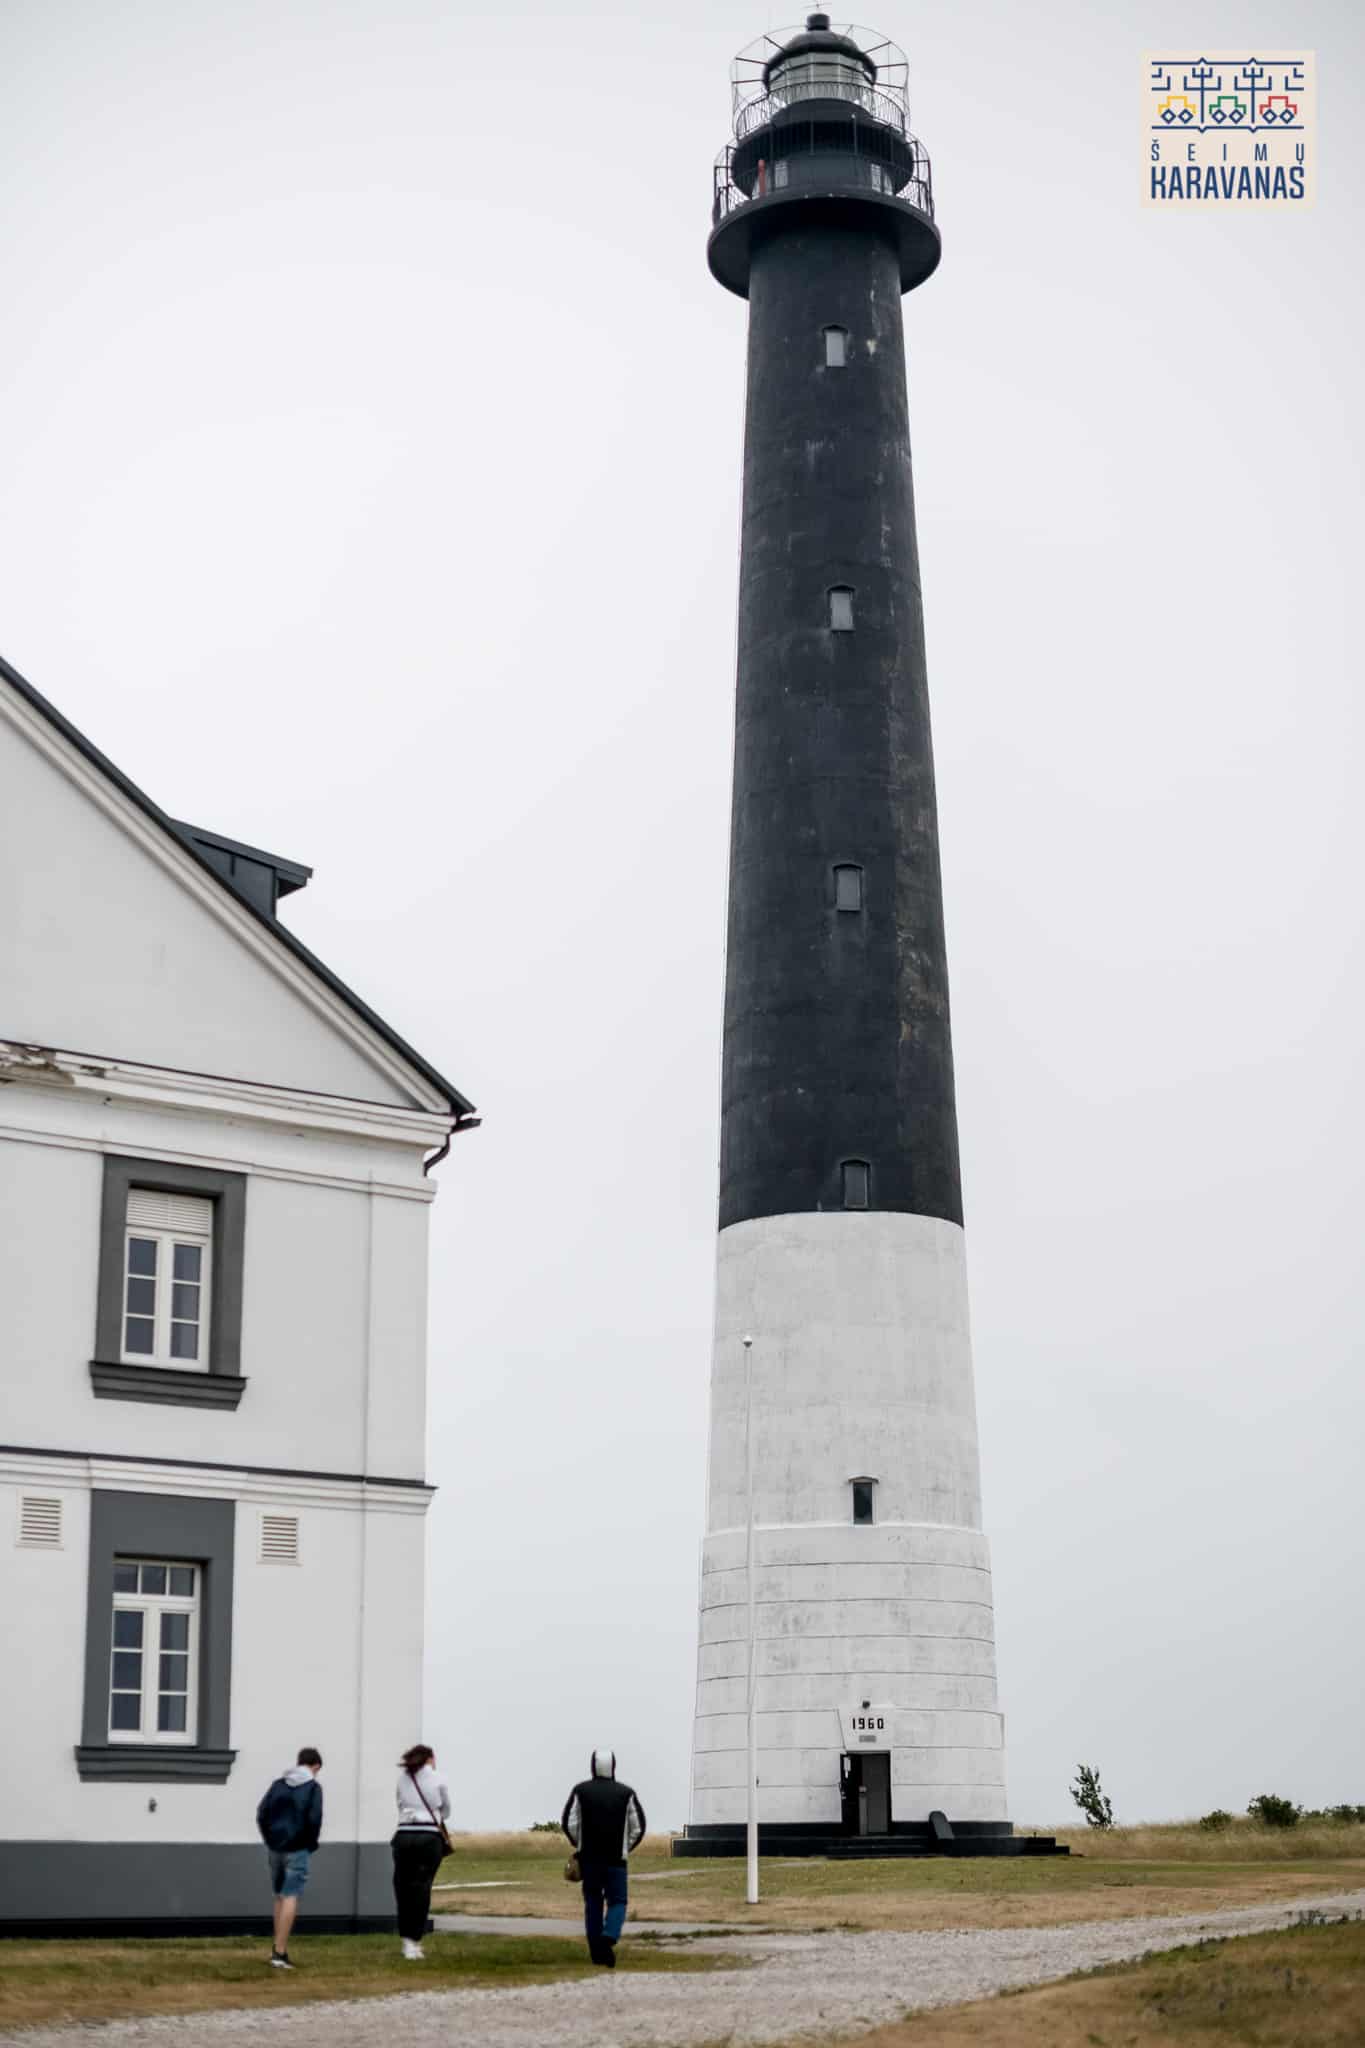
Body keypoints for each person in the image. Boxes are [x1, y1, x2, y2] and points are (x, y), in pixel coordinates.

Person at [561, 1746, 646, 1968]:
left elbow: (570, 1823)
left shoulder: (580, 1790)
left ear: (593, 1766)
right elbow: (638, 1828)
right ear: (613, 1766)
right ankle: (610, 1934)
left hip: (589, 1860)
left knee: (593, 1902)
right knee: (618, 1901)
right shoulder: (626, 1793)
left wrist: (579, 1845)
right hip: (617, 1861)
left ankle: (597, 1952)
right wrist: (625, 1847)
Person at [255, 1747, 323, 1969]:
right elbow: (314, 1819)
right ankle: (280, 1952)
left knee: (279, 1896)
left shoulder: (278, 1784)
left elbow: (262, 1813)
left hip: (275, 1847)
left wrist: (270, 1838)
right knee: (291, 1896)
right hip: (298, 1848)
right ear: (315, 1766)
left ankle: (276, 1947)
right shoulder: (313, 1788)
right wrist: (310, 1844)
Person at [392, 1742, 452, 1960]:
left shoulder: (403, 1779)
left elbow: (399, 1804)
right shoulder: (438, 1778)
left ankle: (406, 1941)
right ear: (430, 1759)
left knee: (403, 1887)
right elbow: (446, 1810)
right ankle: (415, 1941)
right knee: (421, 1887)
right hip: (428, 1836)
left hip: (403, 1834)